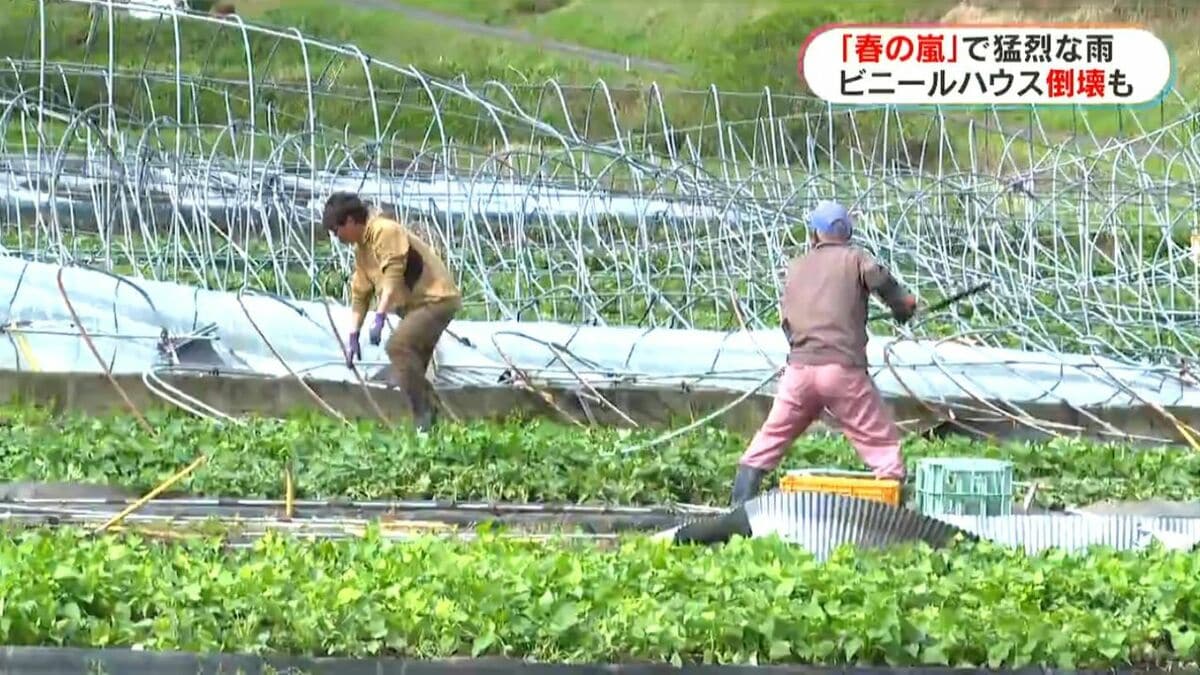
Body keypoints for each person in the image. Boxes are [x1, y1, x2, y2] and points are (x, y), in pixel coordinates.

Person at [730, 200, 918, 506]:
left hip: (799, 373)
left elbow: (788, 324)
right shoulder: (856, 259)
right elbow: (883, 282)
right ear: (848, 233)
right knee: (880, 443)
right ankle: (892, 511)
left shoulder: (796, 267)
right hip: (842, 372)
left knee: (769, 439)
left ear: (814, 235)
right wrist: (903, 305)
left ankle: (738, 507)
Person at [323, 192, 462, 431]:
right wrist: (353, 335)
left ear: (350, 221)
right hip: (416, 307)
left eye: (337, 230)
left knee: (398, 347)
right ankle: (434, 424)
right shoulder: (362, 250)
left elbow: (393, 277)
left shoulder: (383, 230)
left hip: (436, 300)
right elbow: (360, 294)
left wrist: (380, 316)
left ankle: (425, 418)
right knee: (412, 367)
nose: (337, 237)